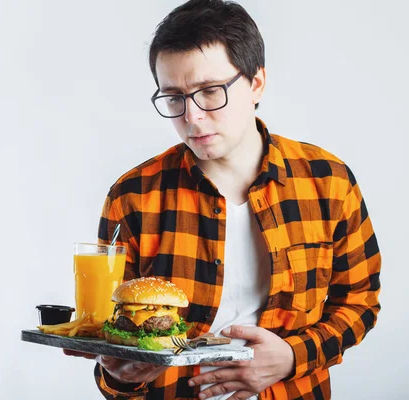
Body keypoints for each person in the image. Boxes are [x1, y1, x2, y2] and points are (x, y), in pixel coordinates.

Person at [64, 1, 381, 399]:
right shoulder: (133, 197)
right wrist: (122, 375)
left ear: (257, 83)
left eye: (210, 92)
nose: (192, 117)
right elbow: (116, 344)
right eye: (174, 98)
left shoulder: (328, 181)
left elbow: (359, 303)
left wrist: (291, 357)